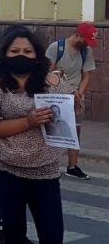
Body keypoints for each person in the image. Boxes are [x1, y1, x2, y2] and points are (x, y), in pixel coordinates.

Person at [0, 25, 72, 244]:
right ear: (4, 53)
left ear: (37, 55)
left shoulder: (53, 82)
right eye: (14, 51)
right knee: (14, 233)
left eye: (27, 51)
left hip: (45, 170)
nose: (21, 55)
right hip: (5, 169)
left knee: (52, 234)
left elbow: (67, 116)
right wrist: (28, 122)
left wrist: (71, 105)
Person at [46, 22, 97, 180]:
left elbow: (87, 75)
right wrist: (65, 88)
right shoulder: (56, 48)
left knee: (75, 131)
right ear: (78, 35)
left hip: (75, 96)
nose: (88, 44)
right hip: (56, 95)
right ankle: (48, 163)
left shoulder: (86, 51)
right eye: (86, 40)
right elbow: (48, 74)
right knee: (51, 129)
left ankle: (72, 166)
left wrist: (79, 95)